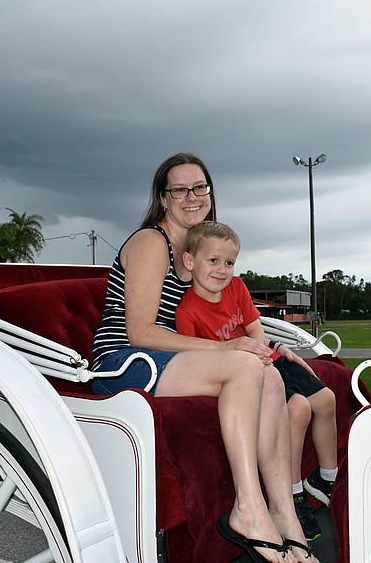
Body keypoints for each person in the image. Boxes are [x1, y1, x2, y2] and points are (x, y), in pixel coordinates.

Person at [91, 153, 317, 562]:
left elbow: (218, 319)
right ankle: (248, 508)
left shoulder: (199, 249)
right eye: (180, 190)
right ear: (163, 199)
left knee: (269, 372)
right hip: (123, 364)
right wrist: (228, 349)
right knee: (247, 365)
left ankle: (285, 513)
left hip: (162, 360)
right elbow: (139, 332)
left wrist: (266, 346)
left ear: (210, 194)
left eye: (200, 188)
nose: (191, 197)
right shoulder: (150, 242)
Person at [174, 221, 338, 542]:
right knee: (300, 409)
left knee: (326, 400)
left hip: (266, 359)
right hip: (245, 374)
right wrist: (257, 363)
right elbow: (197, 359)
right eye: (213, 261)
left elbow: (254, 328)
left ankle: (326, 478)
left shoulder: (236, 288)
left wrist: (270, 351)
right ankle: (292, 496)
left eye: (230, 262)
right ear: (190, 261)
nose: (222, 270)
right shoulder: (187, 311)